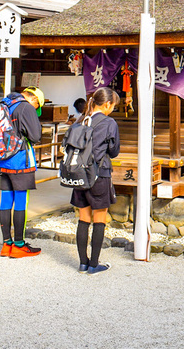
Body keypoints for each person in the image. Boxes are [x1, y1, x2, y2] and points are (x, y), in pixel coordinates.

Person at [71, 87, 121, 274]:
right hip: (99, 173)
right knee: (99, 219)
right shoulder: (109, 123)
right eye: (112, 106)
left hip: (78, 174)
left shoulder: (81, 120)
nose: (112, 110)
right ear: (107, 104)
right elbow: (114, 151)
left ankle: (83, 263)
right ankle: (94, 264)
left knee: (83, 219)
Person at [0, 87, 45, 259]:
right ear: (34, 100)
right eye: (37, 105)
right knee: (20, 202)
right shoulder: (27, 107)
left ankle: (6, 244)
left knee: (5, 201)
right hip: (20, 161)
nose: (36, 108)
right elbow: (35, 136)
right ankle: (19, 245)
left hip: (2, 160)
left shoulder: (5, 103)